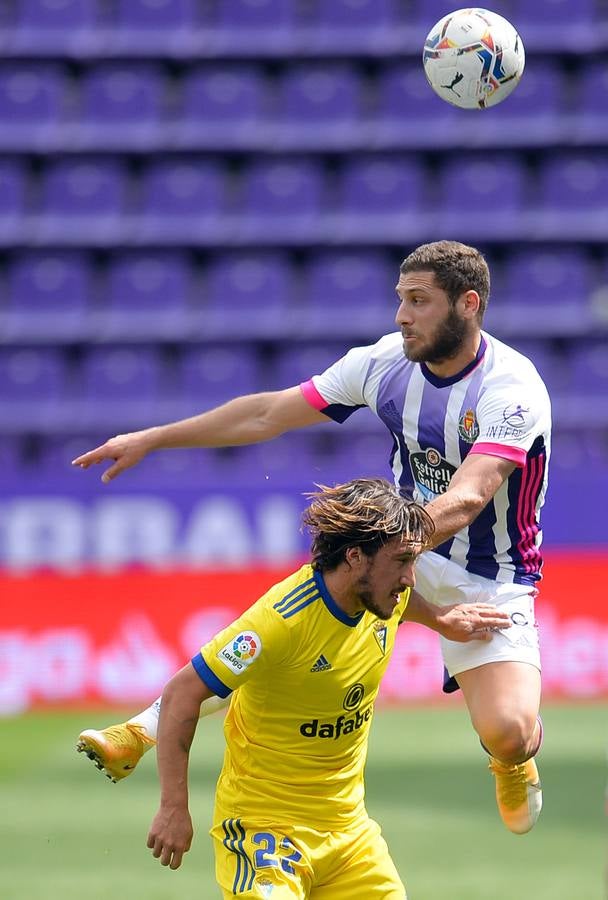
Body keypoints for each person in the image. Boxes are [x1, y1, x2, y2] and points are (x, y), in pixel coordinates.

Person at [73, 239, 550, 835]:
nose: (402, 315)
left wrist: (390, 542)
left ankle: (513, 760)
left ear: (467, 304)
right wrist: (155, 437)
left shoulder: (512, 388)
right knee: (288, 621)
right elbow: (267, 414)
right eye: (400, 299)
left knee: (507, 730)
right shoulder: (383, 363)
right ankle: (142, 729)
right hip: (397, 545)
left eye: (420, 301)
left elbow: (471, 497)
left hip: (490, 571)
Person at [82, 478, 512, 898]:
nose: (410, 579)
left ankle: (136, 733)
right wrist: (174, 806)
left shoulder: (383, 595)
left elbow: (404, 601)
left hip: (349, 834)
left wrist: (439, 618)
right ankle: (136, 734)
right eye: (401, 562)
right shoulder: (280, 621)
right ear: (356, 557)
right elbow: (183, 692)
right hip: (266, 830)